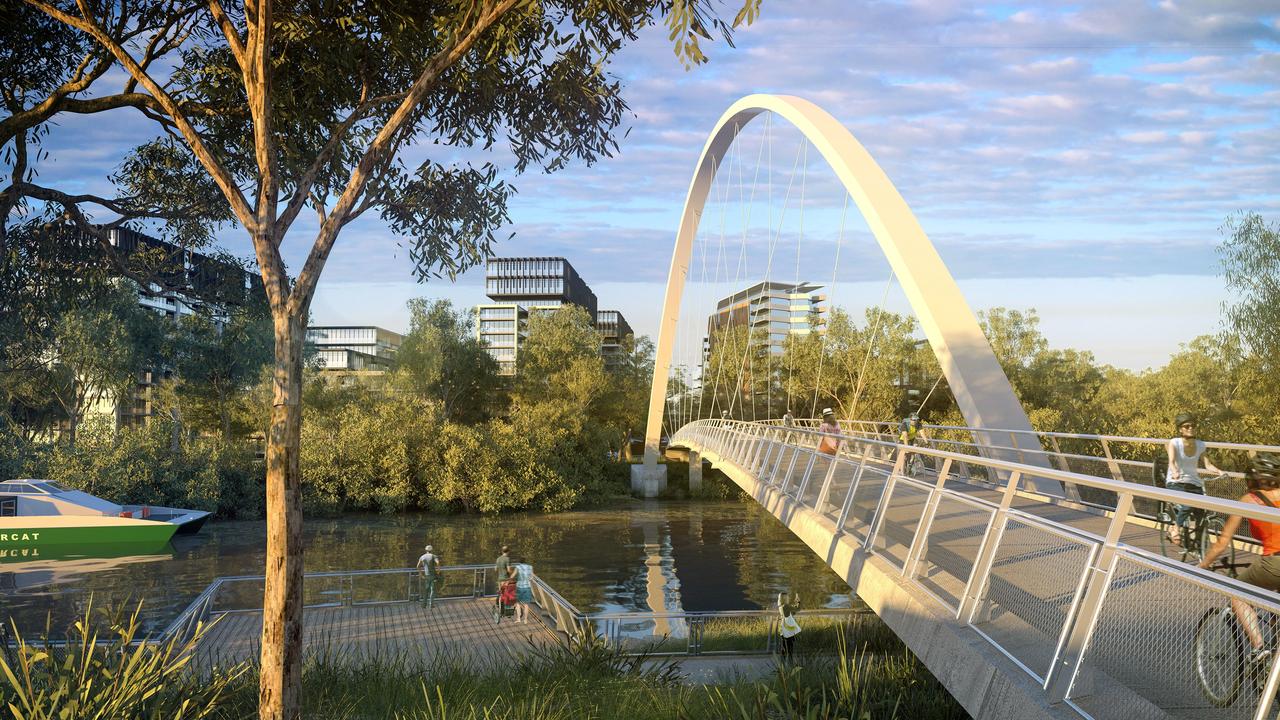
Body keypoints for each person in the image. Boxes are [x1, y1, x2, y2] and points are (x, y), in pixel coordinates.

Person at [1199, 454, 1280, 665]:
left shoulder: (1249, 500)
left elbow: (1221, 543)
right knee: (1275, 609)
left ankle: (1259, 648)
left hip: (1274, 564)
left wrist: (1204, 564)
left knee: (1238, 593)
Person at [1165, 413, 1223, 547]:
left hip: (1194, 483)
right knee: (1188, 505)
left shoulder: (1200, 445)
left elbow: (1207, 465)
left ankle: (1199, 545)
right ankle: (1176, 528)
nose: (1190, 428)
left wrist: (1219, 471)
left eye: (1193, 426)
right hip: (1176, 482)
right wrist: (1174, 472)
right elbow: (1171, 461)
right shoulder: (1175, 442)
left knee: (1201, 513)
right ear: (1180, 429)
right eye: (1187, 426)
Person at [416, 544, 441, 610]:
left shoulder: (422, 557)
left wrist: (421, 574)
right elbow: (438, 563)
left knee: (426, 590)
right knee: (432, 590)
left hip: (426, 576)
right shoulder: (434, 556)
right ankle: (431, 605)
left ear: (426, 550)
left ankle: (424, 605)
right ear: (431, 550)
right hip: (433, 575)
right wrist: (438, 570)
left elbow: (418, 566)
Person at [777, 592, 801, 660]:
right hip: (788, 628)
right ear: (785, 598)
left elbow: (791, 613)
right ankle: (790, 662)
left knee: (784, 645)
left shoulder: (781, 606)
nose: (789, 598)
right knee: (790, 645)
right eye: (787, 597)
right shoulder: (786, 606)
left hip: (783, 627)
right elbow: (798, 609)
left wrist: (795, 605)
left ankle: (782, 662)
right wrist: (798, 602)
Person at [512, 558, 535, 624]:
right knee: (526, 604)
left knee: (518, 603)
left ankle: (519, 619)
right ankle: (525, 620)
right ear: (525, 562)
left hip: (519, 587)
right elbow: (532, 577)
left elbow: (513, 575)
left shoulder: (518, 567)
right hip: (527, 587)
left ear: (520, 562)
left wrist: (509, 579)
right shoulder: (530, 567)